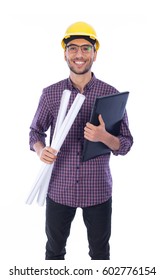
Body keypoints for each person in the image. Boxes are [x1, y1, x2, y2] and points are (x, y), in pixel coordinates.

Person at [29, 21, 133, 260]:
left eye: (86, 48)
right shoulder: (51, 94)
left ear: (95, 54)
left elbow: (126, 143)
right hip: (59, 188)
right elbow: (35, 132)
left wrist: (104, 137)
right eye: (73, 48)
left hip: (97, 190)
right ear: (65, 53)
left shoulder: (110, 94)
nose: (79, 54)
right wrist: (40, 150)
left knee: (99, 254)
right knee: (54, 252)